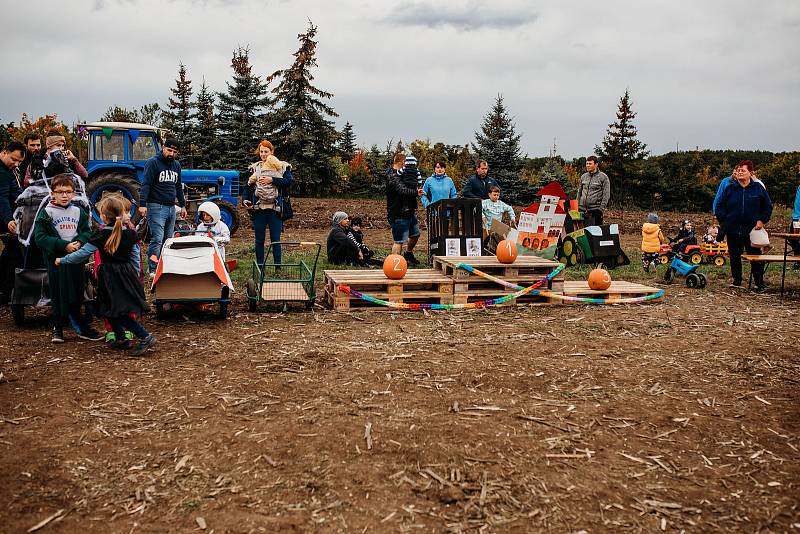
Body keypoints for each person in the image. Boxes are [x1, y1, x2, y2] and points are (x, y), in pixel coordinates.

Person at [60, 196, 154, 355]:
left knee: (117, 311)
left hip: (110, 277)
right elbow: (135, 258)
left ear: (103, 216)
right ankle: (121, 338)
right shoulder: (130, 233)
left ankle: (145, 336)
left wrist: (63, 260)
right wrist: (135, 277)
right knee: (108, 308)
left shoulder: (101, 234)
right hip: (125, 275)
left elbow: (82, 254)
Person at [33, 174, 102, 343]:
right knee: (57, 292)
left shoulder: (78, 211)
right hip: (55, 261)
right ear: (52, 194)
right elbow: (40, 238)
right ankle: (57, 327)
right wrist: (63, 246)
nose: (64, 195)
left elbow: (87, 232)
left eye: (68, 192)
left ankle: (80, 326)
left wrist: (79, 242)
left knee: (76, 290)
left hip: (75, 259)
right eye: (60, 192)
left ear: (73, 193)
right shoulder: (46, 213)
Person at [714, 160, 773, 290]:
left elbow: (767, 206)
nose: (740, 172)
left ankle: (759, 282)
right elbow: (719, 206)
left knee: (756, 257)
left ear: (750, 173)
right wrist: (726, 220)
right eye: (739, 170)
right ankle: (737, 281)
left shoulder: (758, 189)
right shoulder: (730, 188)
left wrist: (761, 220)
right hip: (733, 229)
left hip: (752, 230)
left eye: (743, 170)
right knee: (735, 256)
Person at [139, 137, 186, 275]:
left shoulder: (176, 165)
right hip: (156, 206)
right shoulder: (152, 163)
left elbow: (178, 187)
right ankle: (153, 269)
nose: (171, 153)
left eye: (174, 151)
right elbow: (146, 184)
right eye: (169, 150)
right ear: (163, 148)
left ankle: (164, 265)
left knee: (168, 240)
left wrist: (182, 205)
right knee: (157, 240)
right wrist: (143, 204)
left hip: (171, 207)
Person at [243, 140, 293, 266]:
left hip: (275, 209)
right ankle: (260, 265)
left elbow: (288, 181)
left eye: (266, 152)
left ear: (272, 152)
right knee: (259, 240)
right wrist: (245, 199)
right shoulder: (255, 168)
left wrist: (272, 179)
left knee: (275, 239)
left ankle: (278, 266)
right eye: (261, 152)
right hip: (258, 209)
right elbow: (247, 186)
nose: (263, 154)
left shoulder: (282, 166)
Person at [387, 153, 424, 264]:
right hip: (398, 212)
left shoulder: (405, 174)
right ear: (401, 162)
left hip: (409, 211)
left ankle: (408, 254)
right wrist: (416, 192)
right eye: (406, 163)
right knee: (399, 241)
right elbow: (403, 191)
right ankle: (394, 266)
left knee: (415, 234)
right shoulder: (392, 176)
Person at [0, 141, 25, 305]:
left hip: (8, 217)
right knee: (14, 252)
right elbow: (1, 198)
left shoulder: (9, 171)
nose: (16, 164)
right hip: (5, 219)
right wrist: (9, 219)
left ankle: (4, 290)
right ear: (4, 152)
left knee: (10, 252)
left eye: (20, 162)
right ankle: (5, 291)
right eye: (14, 159)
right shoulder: (2, 173)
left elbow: (16, 192)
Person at [576, 156, 610, 226]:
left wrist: (600, 210)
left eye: (590, 164)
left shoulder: (603, 177)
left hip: (595, 211)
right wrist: (577, 206)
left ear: (596, 164)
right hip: (582, 210)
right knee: (582, 234)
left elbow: (606, 195)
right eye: (587, 163)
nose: (587, 165)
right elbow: (579, 193)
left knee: (594, 235)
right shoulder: (583, 177)